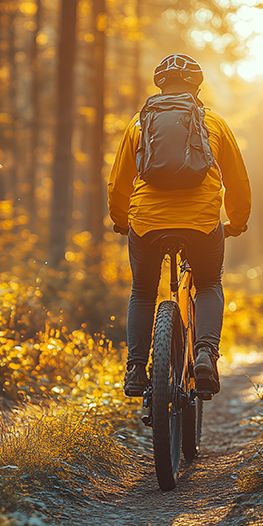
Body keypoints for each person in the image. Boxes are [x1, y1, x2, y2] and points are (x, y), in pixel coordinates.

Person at [107, 53, 251, 397]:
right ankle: (205, 353)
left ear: (160, 85)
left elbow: (118, 183)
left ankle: (136, 369)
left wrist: (121, 220)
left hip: (147, 223)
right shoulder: (214, 123)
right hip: (201, 222)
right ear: (197, 87)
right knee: (209, 284)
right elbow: (238, 181)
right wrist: (237, 221)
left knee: (142, 292)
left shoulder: (139, 124)